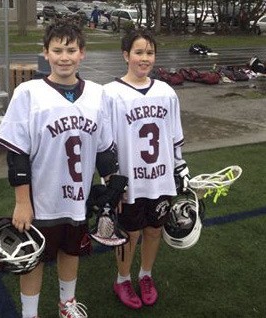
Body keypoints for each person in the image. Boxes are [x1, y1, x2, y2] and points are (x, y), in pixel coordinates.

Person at [0, 19, 119, 318]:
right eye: (57, 50)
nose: (64, 56)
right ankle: (30, 314)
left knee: (70, 251)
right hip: (42, 197)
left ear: (82, 53)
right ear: (46, 53)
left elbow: (103, 148)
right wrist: (22, 201)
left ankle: (66, 304)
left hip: (77, 195)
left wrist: (112, 184)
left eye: (71, 50)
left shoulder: (98, 94)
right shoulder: (29, 92)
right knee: (33, 257)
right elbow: (17, 154)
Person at [103, 29, 190, 309]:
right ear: (126, 55)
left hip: (160, 177)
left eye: (150, 53)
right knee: (130, 232)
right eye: (138, 52)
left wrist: (180, 165)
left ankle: (146, 274)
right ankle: (123, 279)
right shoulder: (111, 93)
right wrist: (110, 178)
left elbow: (174, 135)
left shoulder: (166, 92)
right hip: (129, 179)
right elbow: (105, 143)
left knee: (154, 229)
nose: (144, 58)